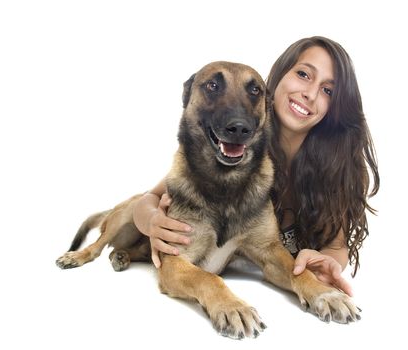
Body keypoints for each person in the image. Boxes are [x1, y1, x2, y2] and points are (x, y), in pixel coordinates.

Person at [133, 36, 379, 297]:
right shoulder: (231, 148)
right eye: (304, 74)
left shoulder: (341, 168)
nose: (310, 93)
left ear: (336, 107)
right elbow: (149, 198)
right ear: (277, 78)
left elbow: (336, 246)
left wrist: (330, 262)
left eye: (328, 90)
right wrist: (151, 221)